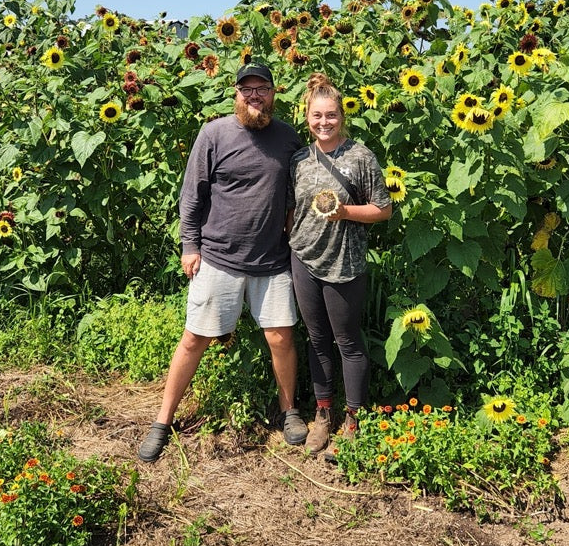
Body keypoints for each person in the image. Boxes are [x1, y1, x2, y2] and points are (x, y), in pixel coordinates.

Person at [138, 63, 308, 462]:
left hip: (272, 259)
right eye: (246, 89)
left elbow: (296, 192)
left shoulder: (287, 137)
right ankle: (162, 421)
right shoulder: (214, 134)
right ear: (236, 94)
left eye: (262, 88)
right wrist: (189, 246)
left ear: (272, 94)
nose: (254, 96)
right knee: (195, 338)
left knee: (281, 339)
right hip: (218, 257)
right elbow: (192, 194)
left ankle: (290, 412)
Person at [288, 73, 393, 458]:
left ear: (341, 115)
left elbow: (384, 210)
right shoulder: (299, 159)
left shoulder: (360, 157)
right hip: (303, 259)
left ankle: (353, 419)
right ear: (307, 116)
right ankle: (323, 414)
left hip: (345, 264)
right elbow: (291, 211)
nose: (324, 123)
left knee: (348, 342)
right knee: (316, 341)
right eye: (317, 116)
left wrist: (345, 211)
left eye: (331, 115)